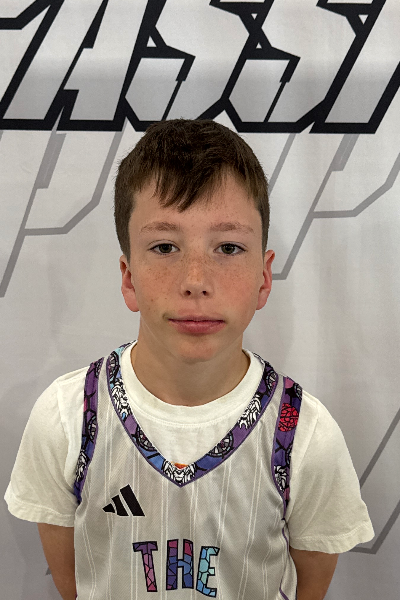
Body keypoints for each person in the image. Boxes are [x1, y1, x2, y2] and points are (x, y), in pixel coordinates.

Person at [5, 119, 374, 600]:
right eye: (164, 247)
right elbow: (76, 585)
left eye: (228, 247)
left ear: (264, 278)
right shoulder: (66, 417)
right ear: (128, 277)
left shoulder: (305, 433)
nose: (196, 280)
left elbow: (310, 584)